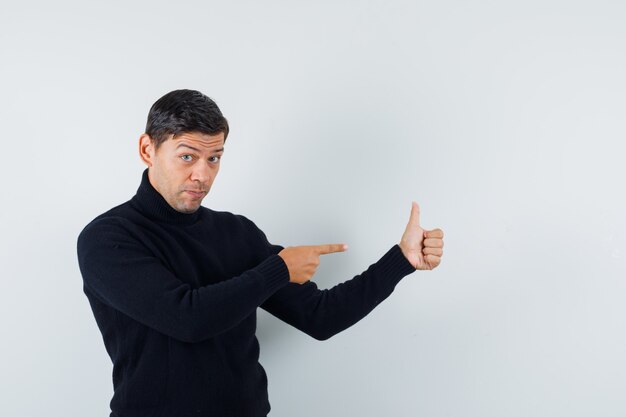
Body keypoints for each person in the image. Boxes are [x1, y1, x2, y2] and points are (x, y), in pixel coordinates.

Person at [76, 89, 444, 417]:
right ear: (147, 149)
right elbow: (187, 318)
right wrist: (278, 270)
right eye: (187, 157)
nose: (202, 175)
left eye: (215, 158)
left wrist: (400, 260)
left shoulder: (235, 232)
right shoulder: (108, 238)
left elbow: (320, 317)